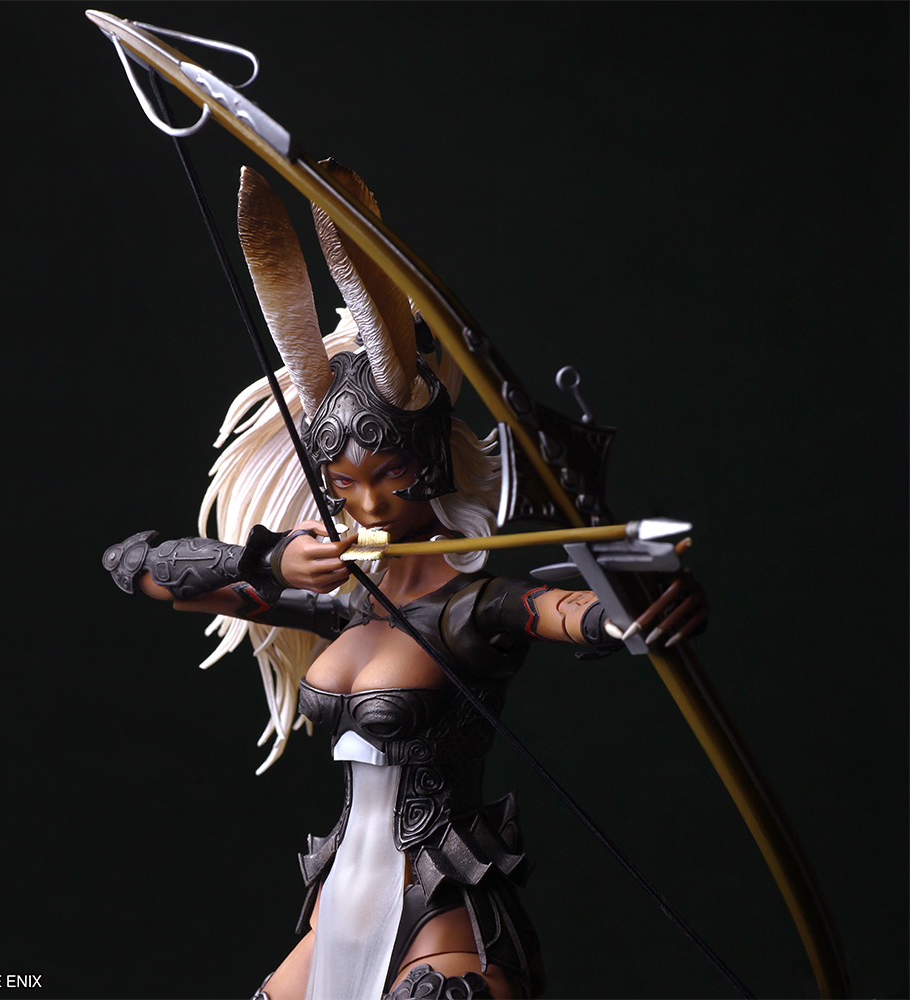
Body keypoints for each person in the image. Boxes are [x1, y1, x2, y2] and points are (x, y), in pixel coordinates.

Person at [102, 163, 705, 1000]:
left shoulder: (473, 611)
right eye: (343, 485)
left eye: (389, 476)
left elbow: (562, 611)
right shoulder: (338, 606)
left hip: (443, 899)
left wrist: (633, 617)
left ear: (430, 467)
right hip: (338, 895)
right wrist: (266, 561)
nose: (369, 504)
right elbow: (135, 569)